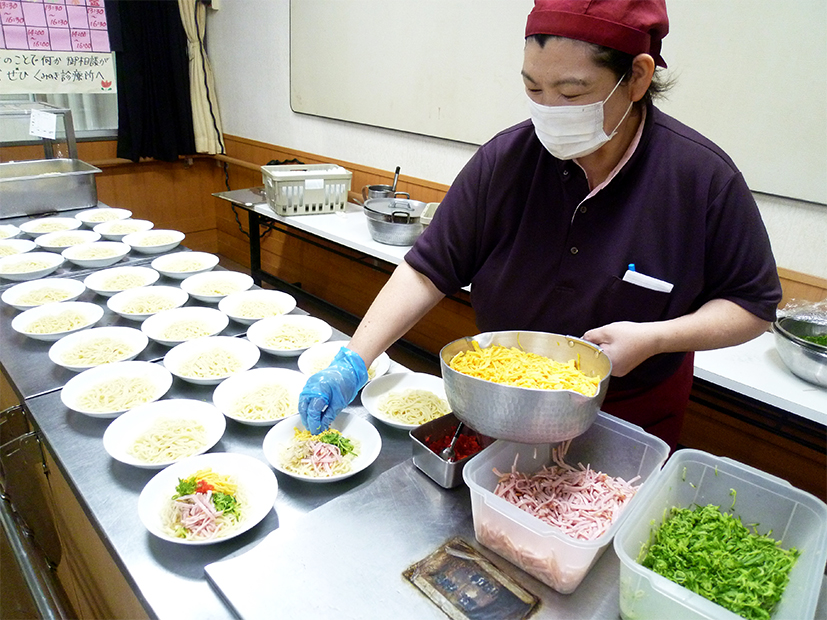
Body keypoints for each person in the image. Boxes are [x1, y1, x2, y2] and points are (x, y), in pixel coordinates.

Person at [299, 0, 781, 450]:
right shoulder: (505, 161)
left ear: (636, 77)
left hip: (625, 422)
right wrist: (353, 361)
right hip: (502, 409)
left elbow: (753, 304)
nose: (548, 109)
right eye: (533, 88)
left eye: (572, 92)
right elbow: (427, 269)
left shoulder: (700, 178)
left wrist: (657, 337)